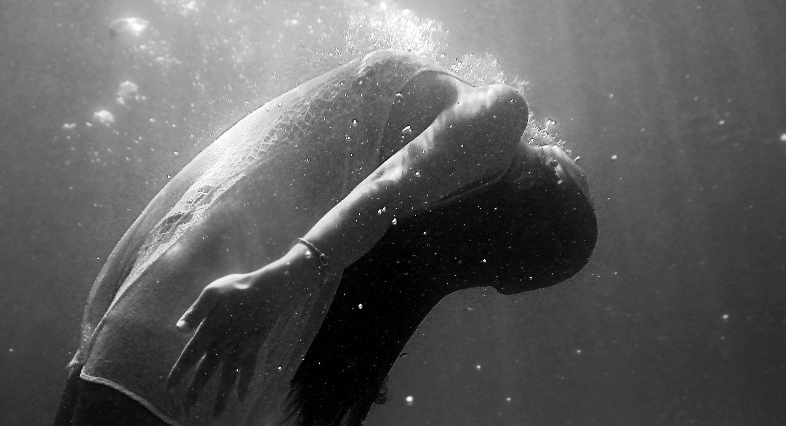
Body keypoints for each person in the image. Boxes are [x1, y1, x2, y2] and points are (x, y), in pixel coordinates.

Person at [57, 50, 596, 425]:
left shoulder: (499, 115)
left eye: (578, 182)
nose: (568, 159)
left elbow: (386, 187)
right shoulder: (394, 220)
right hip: (223, 303)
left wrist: (282, 274)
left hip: (205, 282)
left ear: (533, 208)